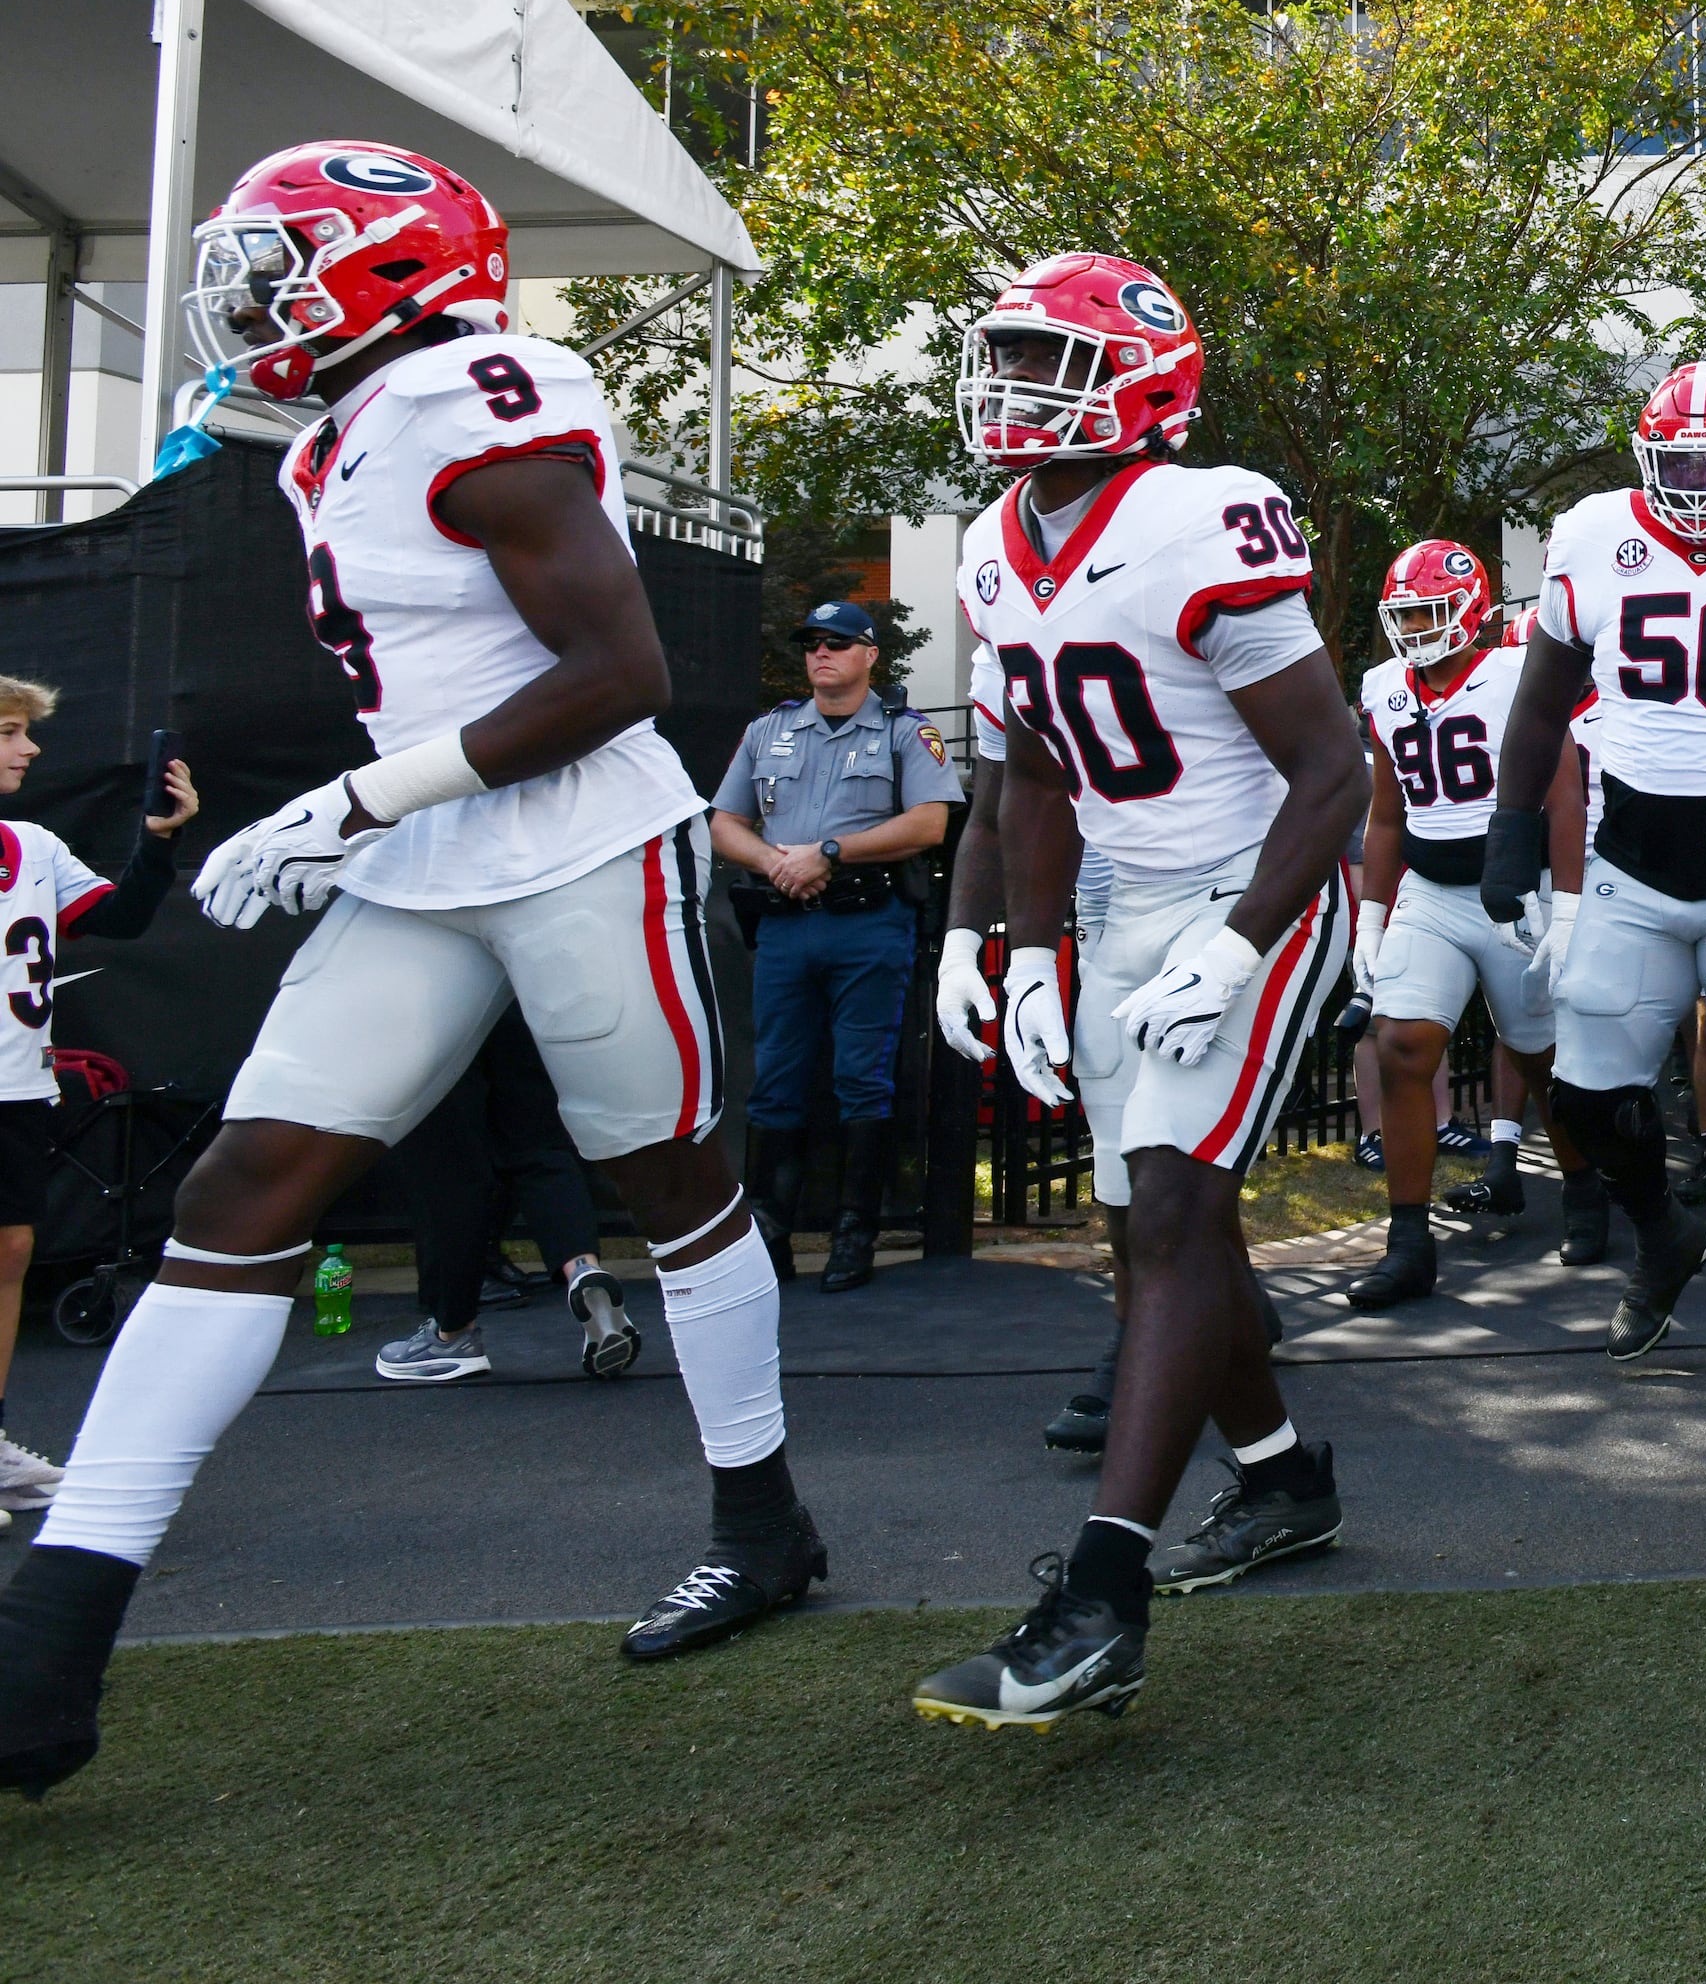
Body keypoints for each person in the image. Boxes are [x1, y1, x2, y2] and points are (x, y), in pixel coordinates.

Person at [0, 142, 819, 1801]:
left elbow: (621, 671)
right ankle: (52, 1636)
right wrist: (380, 820)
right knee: (239, 1190)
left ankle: (763, 1519)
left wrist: (353, 795)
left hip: (583, 842)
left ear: (386, 273)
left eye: (285, 257)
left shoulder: (468, 403)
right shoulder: (350, 426)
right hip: (428, 866)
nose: (246, 291)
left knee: (671, 1187)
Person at [912, 253, 1358, 1726]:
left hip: (1256, 888)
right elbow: (1028, 771)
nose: (1016, 387)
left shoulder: (1195, 515)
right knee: (1147, 1227)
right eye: (1010, 357)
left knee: (1172, 1206)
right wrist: (1013, 947)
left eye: (1051, 358)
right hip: (1119, 903)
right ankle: (1286, 1476)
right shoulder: (992, 541)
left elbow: (1334, 771)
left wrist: (1239, 941)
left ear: (1139, 375)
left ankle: (1101, 1598)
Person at [1480, 363, 1706, 1364]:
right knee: (1587, 1090)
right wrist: (1510, 831)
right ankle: (1663, 1237)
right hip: (1633, 847)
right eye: (1685, 459)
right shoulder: (1592, 531)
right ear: (1645, 456)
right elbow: (1544, 698)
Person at [711, 599, 964, 1292]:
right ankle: (769, 1228)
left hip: (867, 923)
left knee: (862, 1077)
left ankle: (856, 1231)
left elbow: (929, 825)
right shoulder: (769, 731)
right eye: (813, 643)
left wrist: (830, 850)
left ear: (869, 656)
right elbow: (723, 821)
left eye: (838, 643)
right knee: (776, 1080)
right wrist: (774, 862)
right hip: (788, 924)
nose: (822, 654)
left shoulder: (904, 732)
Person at [1347, 538, 1556, 1311]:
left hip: (1512, 888)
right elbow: (1387, 811)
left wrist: (1562, 897)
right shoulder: (1384, 687)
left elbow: (1561, 792)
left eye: (1432, 609)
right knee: (1402, 1043)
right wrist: (1373, 913)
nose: (1418, 627)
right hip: (1431, 891)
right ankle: (1408, 1239)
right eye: (1406, 614)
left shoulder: (1514, 674)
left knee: (1542, 1059)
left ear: (1470, 610)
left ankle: (1596, 1196)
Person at [0, 687, 193, 1516]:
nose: (30, 749)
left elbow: (114, 916)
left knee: (10, 1252)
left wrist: (157, 841)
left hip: (14, 1083)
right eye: (10, 733)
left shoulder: (32, 845)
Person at [377, 1008, 638, 1384]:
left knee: (447, 1163)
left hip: (432, 998)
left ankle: (453, 1334)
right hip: (513, 990)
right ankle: (583, 1269)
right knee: (539, 1147)